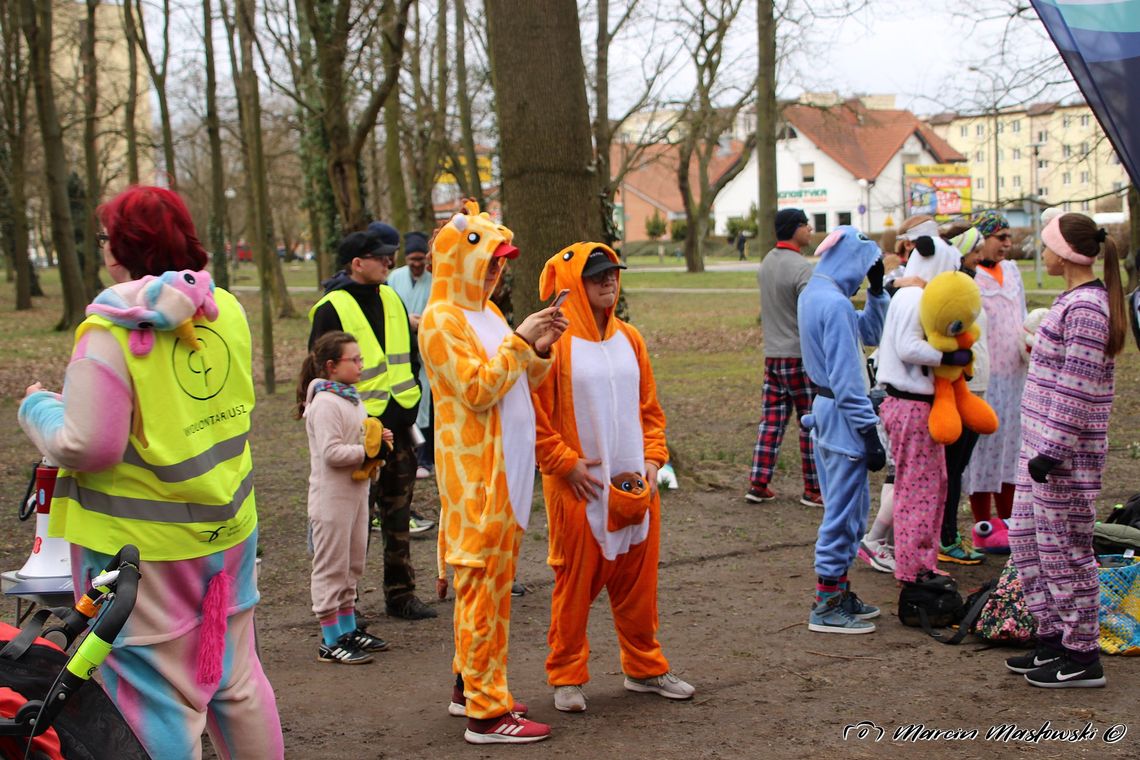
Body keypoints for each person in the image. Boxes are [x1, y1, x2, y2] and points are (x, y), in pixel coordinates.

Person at [18, 185, 283, 759]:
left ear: (121, 249)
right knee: (235, 679)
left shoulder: (113, 331)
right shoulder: (227, 309)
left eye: (108, 237)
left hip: (141, 559)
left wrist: (37, 407)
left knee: (153, 695)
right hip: (229, 533)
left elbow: (88, 444)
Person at [419, 201, 568, 744]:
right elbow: (478, 388)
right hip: (477, 480)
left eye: (500, 265)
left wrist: (540, 349)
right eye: (489, 263)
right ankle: (487, 712)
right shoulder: (440, 320)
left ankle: (470, 686)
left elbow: (518, 375)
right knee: (483, 589)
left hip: (507, 473)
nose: (496, 272)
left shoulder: (489, 315)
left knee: (491, 589)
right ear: (460, 262)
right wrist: (522, 342)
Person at [534, 243, 693, 715]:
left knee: (638, 585)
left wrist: (653, 458)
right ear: (570, 286)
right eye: (596, 275)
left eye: (613, 273)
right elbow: (535, 414)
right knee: (574, 585)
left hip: (636, 486)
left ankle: (644, 669)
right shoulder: (551, 347)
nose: (609, 281)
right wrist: (563, 462)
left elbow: (650, 410)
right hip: (578, 489)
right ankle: (566, 675)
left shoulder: (631, 338)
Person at [1005, 213, 1125, 688]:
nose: (1041, 250)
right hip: (1038, 452)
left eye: (1047, 243)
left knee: (1065, 553)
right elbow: (1063, 372)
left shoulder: (1088, 310)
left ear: (1067, 254)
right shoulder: (1072, 302)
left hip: (1061, 462)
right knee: (1029, 545)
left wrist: (1052, 450)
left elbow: (1077, 389)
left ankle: (1082, 653)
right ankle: (1053, 637)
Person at [309, 224, 437, 621]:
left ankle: (401, 594)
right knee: (354, 521)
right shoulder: (331, 307)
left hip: (398, 426)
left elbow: (409, 359)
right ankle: (348, 605)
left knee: (398, 515)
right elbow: (323, 369)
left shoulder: (392, 298)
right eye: (381, 256)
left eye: (390, 255)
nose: (389, 261)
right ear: (356, 263)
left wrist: (409, 407)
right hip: (355, 433)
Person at [797, 226, 890, 634]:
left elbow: (869, 333)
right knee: (843, 513)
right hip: (843, 417)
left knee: (848, 511)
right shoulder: (832, 303)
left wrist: (876, 291)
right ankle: (827, 604)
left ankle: (838, 589)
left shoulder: (818, 293)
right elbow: (848, 378)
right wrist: (869, 434)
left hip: (828, 413)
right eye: (865, 267)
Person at [872, 227, 967, 586]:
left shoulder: (916, 296)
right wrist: (947, 355)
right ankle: (912, 566)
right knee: (917, 490)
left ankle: (921, 560)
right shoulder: (914, 299)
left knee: (933, 484)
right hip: (911, 405)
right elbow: (908, 346)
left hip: (919, 405)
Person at [297, 331, 394, 665]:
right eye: (354, 360)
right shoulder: (324, 403)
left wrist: (378, 438)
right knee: (331, 566)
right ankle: (329, 639)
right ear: (331, 366)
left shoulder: (351, 397)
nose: (361, 365)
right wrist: (370, 449)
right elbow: (332, 453)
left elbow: (361, 436)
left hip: (356, 495)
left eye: (360, 358)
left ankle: (348, 629)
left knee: (352, 563)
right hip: (331, 500)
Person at [858, 215, 941, 573]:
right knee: (905, 478)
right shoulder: (909, 293)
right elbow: (905, 345)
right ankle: (878, 541)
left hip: (900, 392)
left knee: (908, 477)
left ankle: (891, 543)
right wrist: (949, 356)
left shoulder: (909, 288)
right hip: (901, 396)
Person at [747, 208, 821, 508]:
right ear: (795, 228)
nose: (810, 230)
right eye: (806, 225)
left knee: (772, 421)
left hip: (773, 355)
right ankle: (814, 488)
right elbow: (810, 311)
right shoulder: (802, 269)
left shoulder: (766, 263)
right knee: (811, 421)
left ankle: (758, 482)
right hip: (799, 355)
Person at [962, 211, 1026, 552]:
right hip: (987, 380)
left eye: (1008, 237)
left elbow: (1024, 318)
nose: (1006, 243)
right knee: (984, 451)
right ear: (981, 239)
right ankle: (983, 526)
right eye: (999, 237)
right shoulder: (970, 279)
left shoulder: (1013, 272)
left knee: (1012, 449)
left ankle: (1011, 523)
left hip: (1016, 378)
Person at [937, 227, 990, 565]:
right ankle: (946, 537)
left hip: (975, 387)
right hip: (960, 389)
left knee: (957, 467)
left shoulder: (969, 287)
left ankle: (945, 533)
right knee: (952, 468)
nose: (979, 258)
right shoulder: (951, 291)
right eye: (975, 252)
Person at [388, 231, 435, 481]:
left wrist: (423, 322)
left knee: (426, 399)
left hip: (427, 348)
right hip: (401, 349)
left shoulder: (434, 281)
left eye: (421, 259)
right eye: (412, 259)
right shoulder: (394, 279)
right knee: (406, 398)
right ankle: (409, 452)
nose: (417, 264)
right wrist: (407, 321)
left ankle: (426, 457)